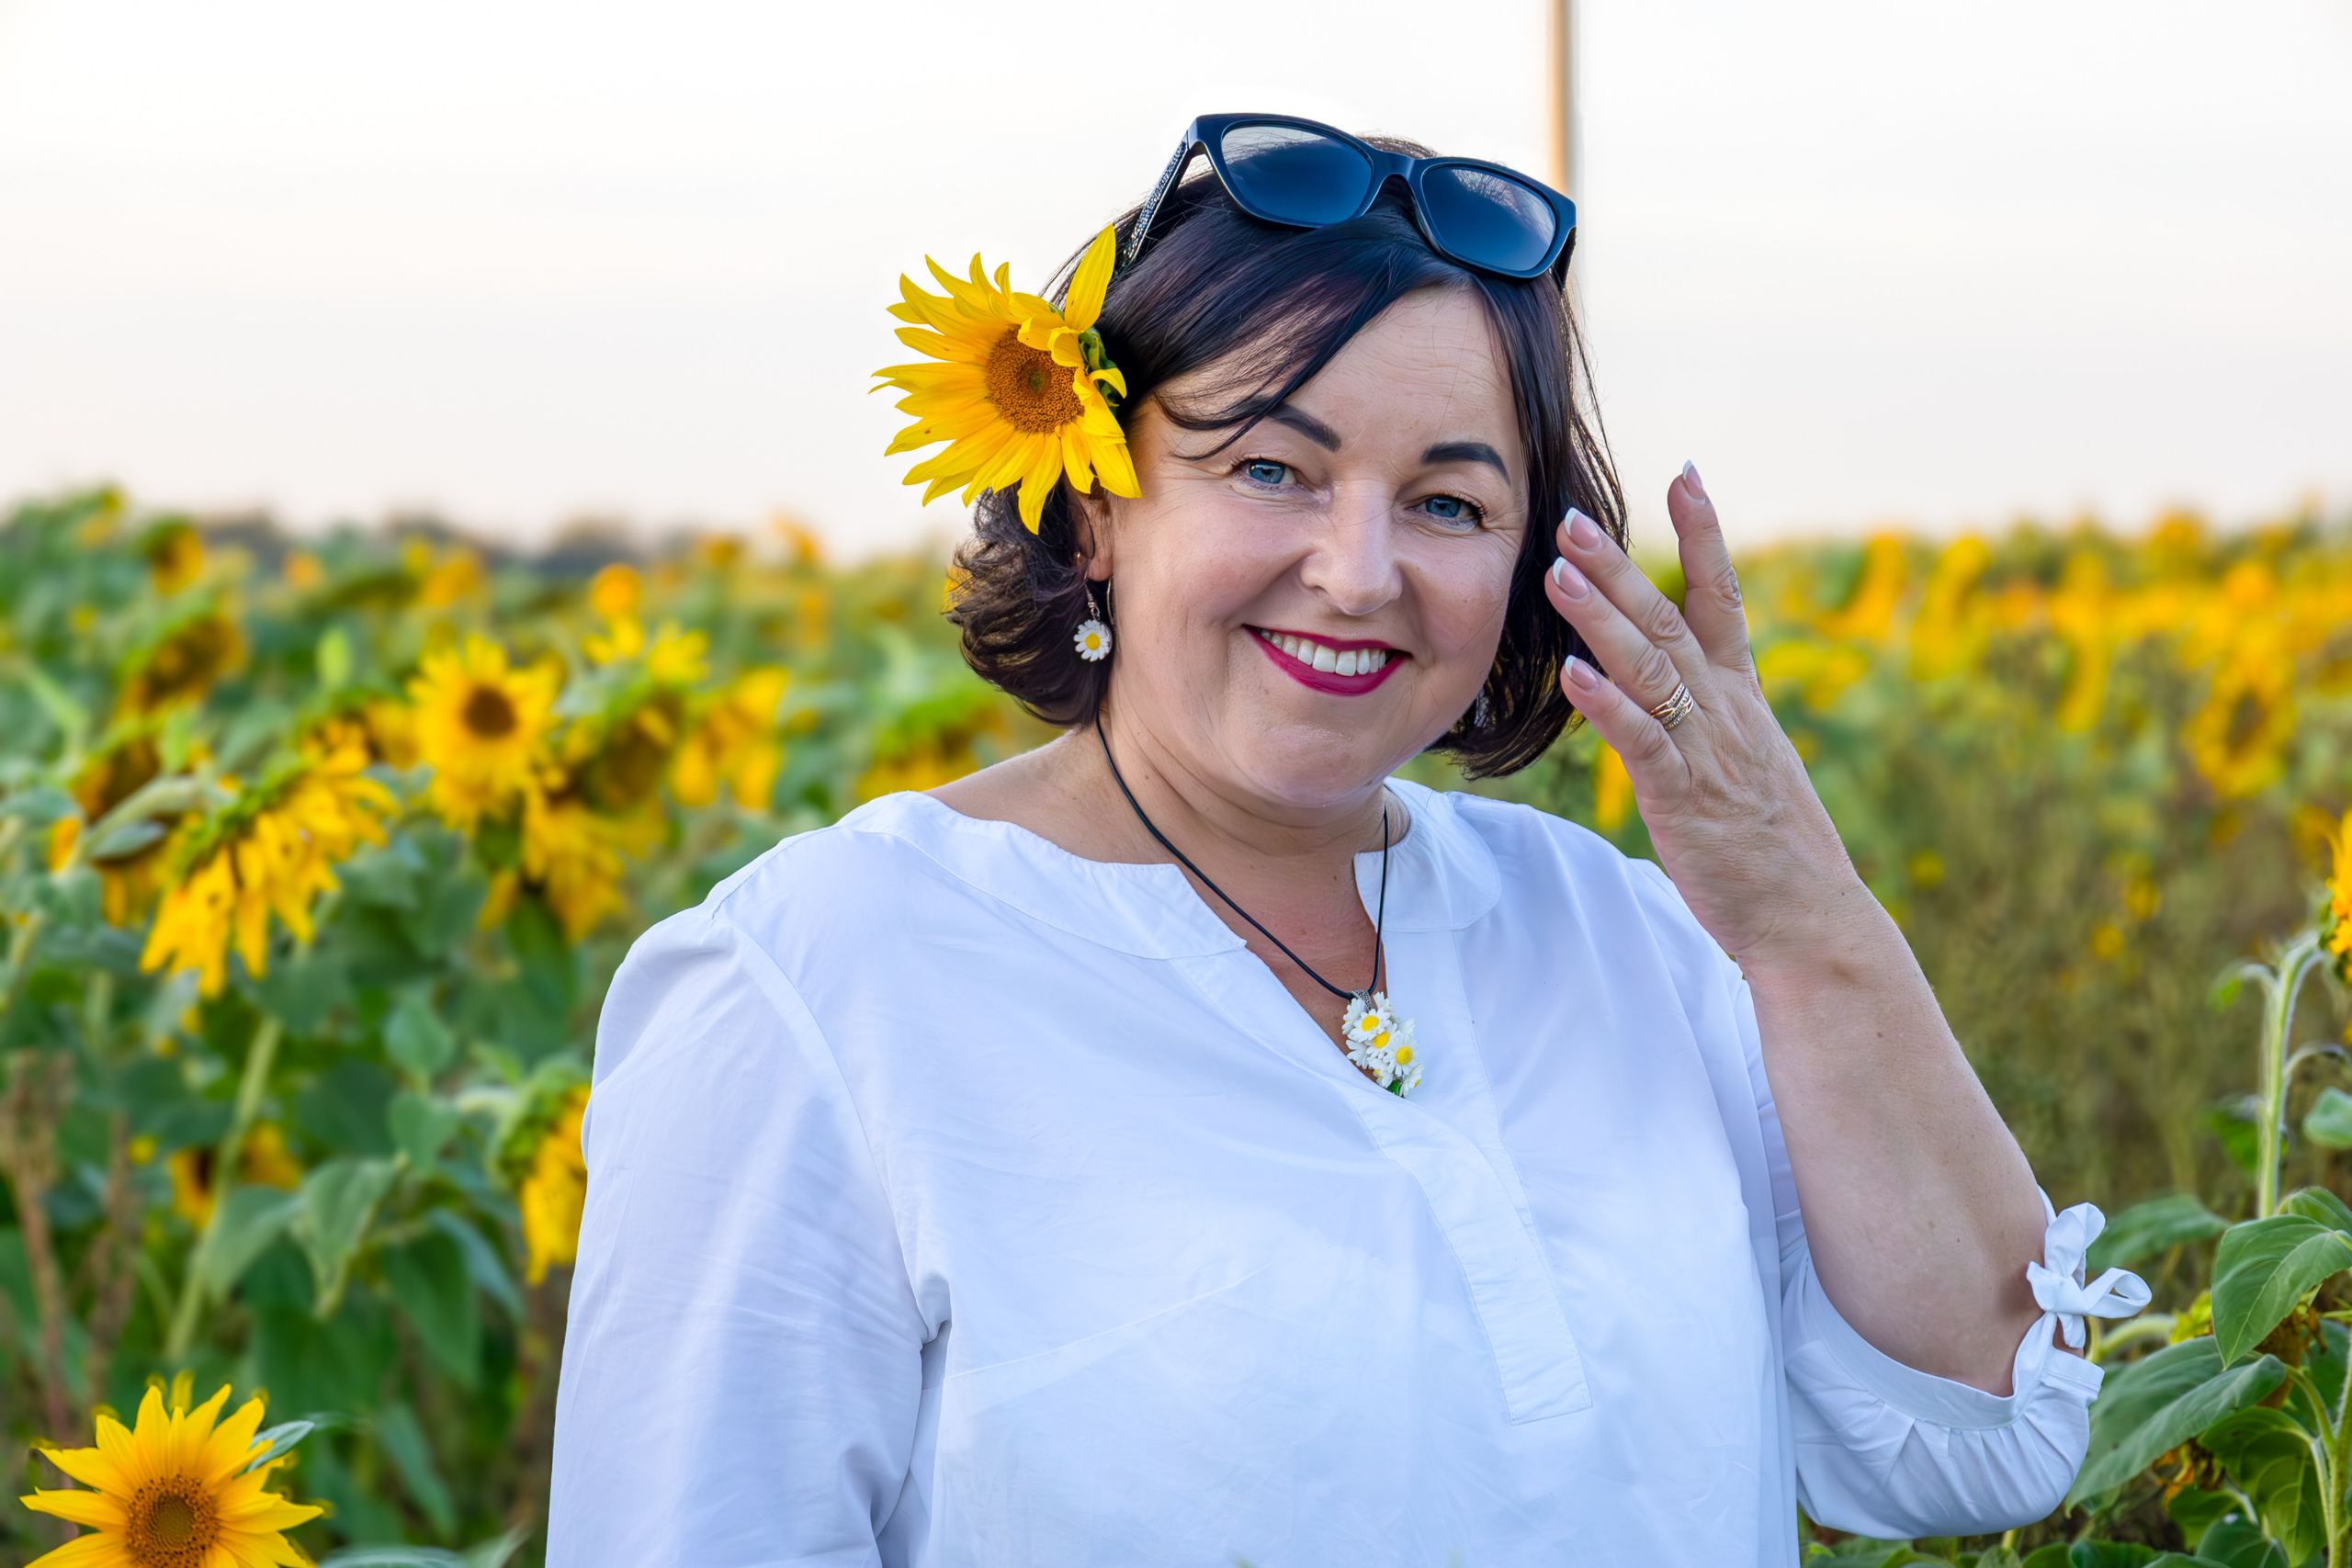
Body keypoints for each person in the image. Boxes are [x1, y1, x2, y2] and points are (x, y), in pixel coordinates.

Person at [546, 115, 2146, 1566]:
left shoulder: (1629, 936)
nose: (1360, 569)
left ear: (1533, 559)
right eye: (1268, 468)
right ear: (1094, 506)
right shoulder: (816, 987)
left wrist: (1805, 921)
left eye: (1450, 504)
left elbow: (1979, 1435)